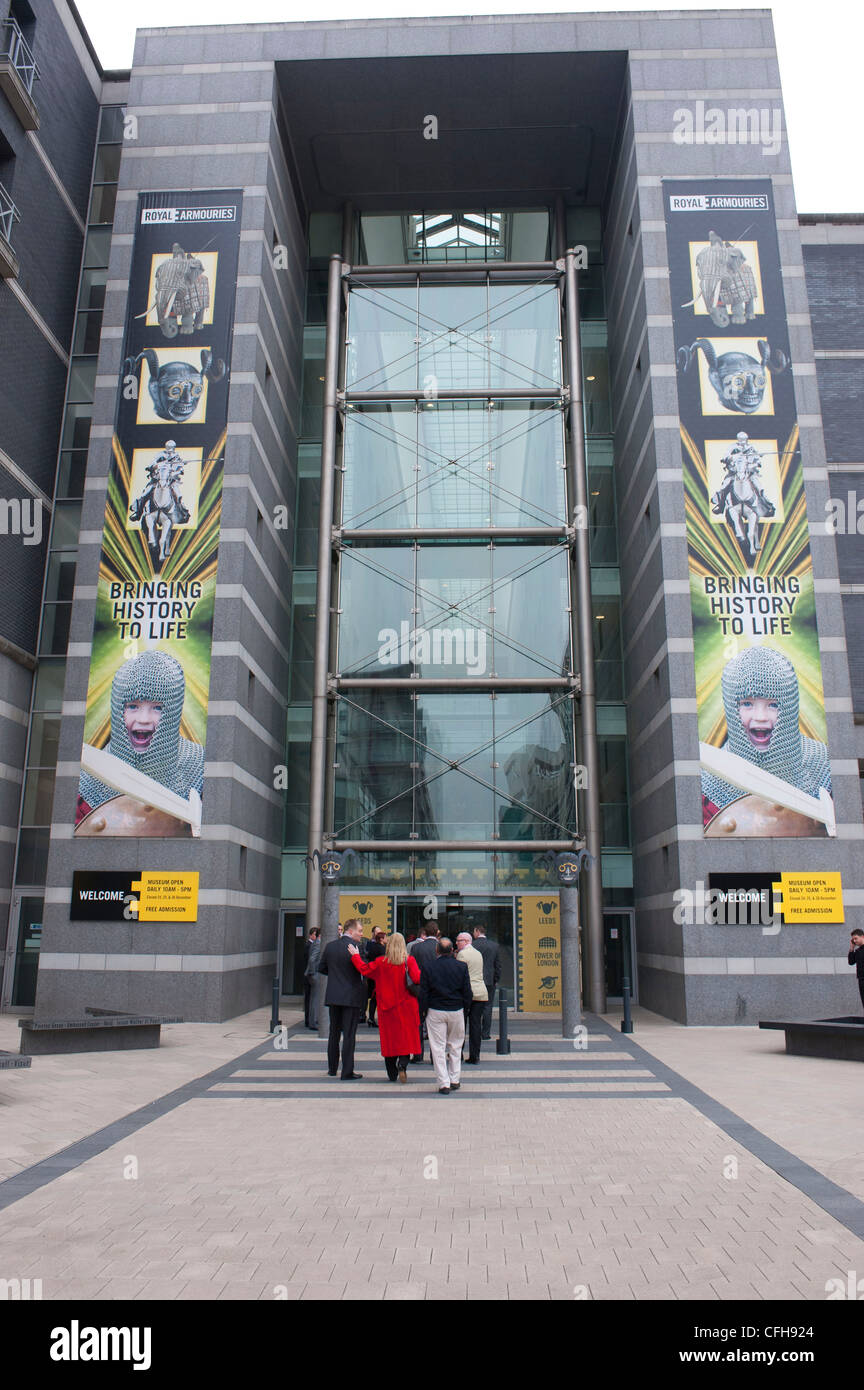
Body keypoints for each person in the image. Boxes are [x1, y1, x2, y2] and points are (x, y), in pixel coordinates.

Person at [701, 646, 832, 827]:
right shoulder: (711, 781)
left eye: (773, 705)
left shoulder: (822, 765)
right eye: (747, 704)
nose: (760, 717)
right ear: (732, 708)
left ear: (789, 706)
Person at [76, 649, 204, 827]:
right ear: (119, 709)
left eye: (157, 708)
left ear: (173, 711)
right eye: (133, 706)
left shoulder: (199, 769)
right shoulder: (91, 782)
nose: (144, 719)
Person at [347, 932, 421, 1082]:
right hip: (407, 1007)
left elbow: (364, 969)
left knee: (389, 1040)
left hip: (387, 1008)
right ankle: (403, 1064)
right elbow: (417, 978)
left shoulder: (381, 962)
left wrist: (355, 955)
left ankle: (392, 1073)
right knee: (406, 1039)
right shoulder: (409, 961)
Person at [418, 937, 472, 1094]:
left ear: (437, 951)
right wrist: (465, 1009)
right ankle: (455, 1079)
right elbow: (467, 992)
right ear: (452, 950)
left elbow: (424, 993)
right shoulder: (461, 967)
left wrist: (423, 1011)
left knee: (438, 1048)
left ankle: (444, 1083)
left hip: (435, 1010)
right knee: (456, 1046)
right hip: (456, 1010)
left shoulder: (428, 967)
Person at [318, 918, 366, 1079]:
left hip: (333, 996)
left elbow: (322, 968)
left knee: (334, 1033)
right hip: (351, 997)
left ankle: (332, 1069)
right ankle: (347, 1071)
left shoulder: (330, 947)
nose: (361, 934)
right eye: (360, 931)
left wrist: (334, 978)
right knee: (349, 1035)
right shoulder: (356, 948)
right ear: (351, 931)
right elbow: (363, 969)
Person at [455, 931, 488, 1064]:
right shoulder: (478, 953)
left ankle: (459, 1053)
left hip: (467, 993)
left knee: (461, 1025)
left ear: (467, 941)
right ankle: (475, 1055)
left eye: (459, 940)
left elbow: (459, 974)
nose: (456, 943)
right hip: (480, 992)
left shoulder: (462, 954)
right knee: (475, 1025)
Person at [472, 926, 501, 1041]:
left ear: (477, 931)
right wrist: (496, 979)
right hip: (489, 980)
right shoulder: (494, 946)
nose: (473, 934)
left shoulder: (472, 945)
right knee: (487, 1007)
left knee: (474, 1008)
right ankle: (486, 1033)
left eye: (474, 931)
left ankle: (475, 1032)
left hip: (475, 979)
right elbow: (497, 965)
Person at [362, 927, 387, 1026]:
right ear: (381, 939)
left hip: (372, 975)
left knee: (373, 997)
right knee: (377, 997)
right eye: (385, 937)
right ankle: (373, 1018)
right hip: (380, 976)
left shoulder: (371, 947)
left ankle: (371, 1018)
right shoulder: (382, 949)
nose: (386, 939)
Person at [303, 928, 321, 1029]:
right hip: (315, 974)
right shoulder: (318, 943)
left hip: (313, 974)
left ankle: (312, 1021)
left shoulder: (315, 943)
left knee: (313, 999)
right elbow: (312, 959)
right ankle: (313, 1022)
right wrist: (313, 972)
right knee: (315, 999)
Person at [849, 929, 864, 1013]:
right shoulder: (858, 951)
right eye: (853, 939)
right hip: (861, 979)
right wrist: (851, 948)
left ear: (862, 937)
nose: (855, 941)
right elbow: (851, 962)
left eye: (856, 938)